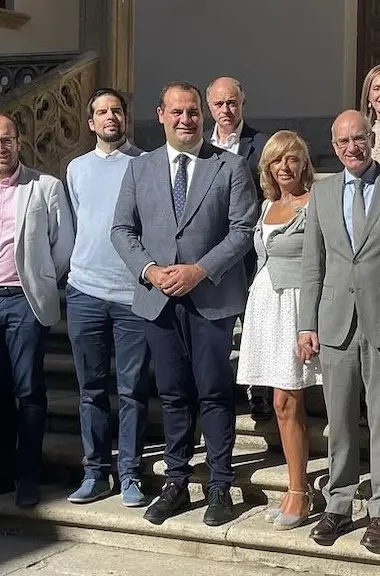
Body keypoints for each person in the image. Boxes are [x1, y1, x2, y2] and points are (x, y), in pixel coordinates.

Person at [110, 81, 257, 527]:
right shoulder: (140, 169)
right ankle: (175, 480)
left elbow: (242, 229)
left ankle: (219, 485)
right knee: (173, 394)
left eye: (192, 112)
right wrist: (150, 270)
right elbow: (121, 230)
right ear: (160, 115)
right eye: (176, 112)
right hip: (157, 299)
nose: (185, 119)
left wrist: (199, 270)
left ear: (202, 115)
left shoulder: (229, 167)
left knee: (213, 392)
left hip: (210, 298)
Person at [298, 110, 380, 552]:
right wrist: (306, 324)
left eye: (359, 138)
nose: (352, 147)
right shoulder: (322, 191)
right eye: (343, 142)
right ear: (333, 147)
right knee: (339, 420)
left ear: (372, 140)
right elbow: (312, 265)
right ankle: (337, 504)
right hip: (335, 322)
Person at [0, 112, 74, 508]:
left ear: (19, 142)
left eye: (7, 140)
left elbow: (64, 245)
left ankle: (28, 476)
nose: (0, 148)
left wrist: (38, 279)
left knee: (29, 391)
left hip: (24, 301)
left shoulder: (45, 186)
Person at [63, 88, 151, 508]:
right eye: (101, 112)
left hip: (133, 293)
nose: (110, 117)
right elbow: (79, 220)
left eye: (116, 110)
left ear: (126, 118)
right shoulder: (76, 169)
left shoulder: (146, 165)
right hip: (84, 291)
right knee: (91, 388)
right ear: (90, 122)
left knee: (132, 389)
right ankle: (96, 471)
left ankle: (130, 473)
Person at [235, 130, 322, 530]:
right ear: (267, 167)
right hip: (266, 305)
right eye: (277, 160)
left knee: (289, 402)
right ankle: (293, 488)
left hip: (297, 308)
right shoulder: (268, 205)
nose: (284, 167)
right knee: (277, 403)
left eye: (292, 158)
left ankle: (301, 494)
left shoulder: (317, 203)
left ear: (304, 162)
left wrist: (314, 321)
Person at [206, 76, 274, 423]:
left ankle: (258, 392)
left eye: (231, 102)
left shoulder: (261, 145)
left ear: (243, 102)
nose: (226, 110)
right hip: (210, 252)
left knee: (254, 324)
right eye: (219, 104)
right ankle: (218, 390)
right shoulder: (200, 145)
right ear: (209, 107)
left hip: (250, 251)